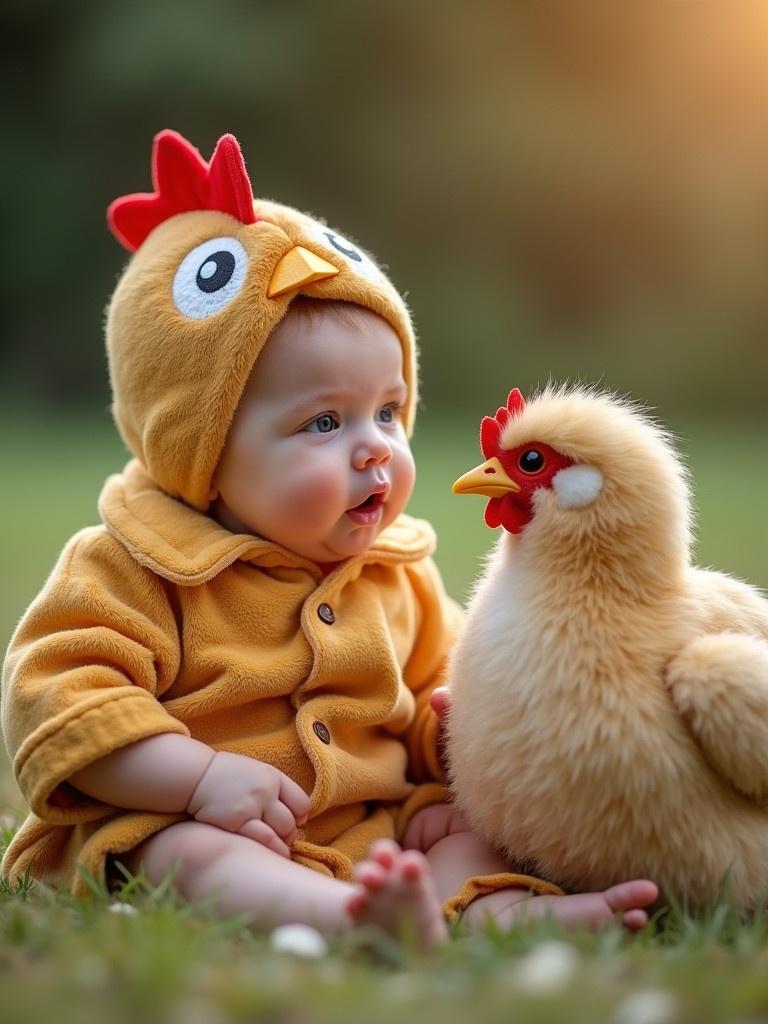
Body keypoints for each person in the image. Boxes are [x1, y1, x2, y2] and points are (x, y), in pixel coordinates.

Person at [1, 131, 657, 948]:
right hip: (198, 823)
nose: (377, 445)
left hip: (374, 825)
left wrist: (457, 732)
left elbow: (428, 702)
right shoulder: (130, 568)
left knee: (455, 829)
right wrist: (197, 778)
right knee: (186, 855)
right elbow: (62, 707)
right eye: (323, 421)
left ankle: (494, 909)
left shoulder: (398, 575)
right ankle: (344, 918)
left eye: (388, 410)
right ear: (199, 450)